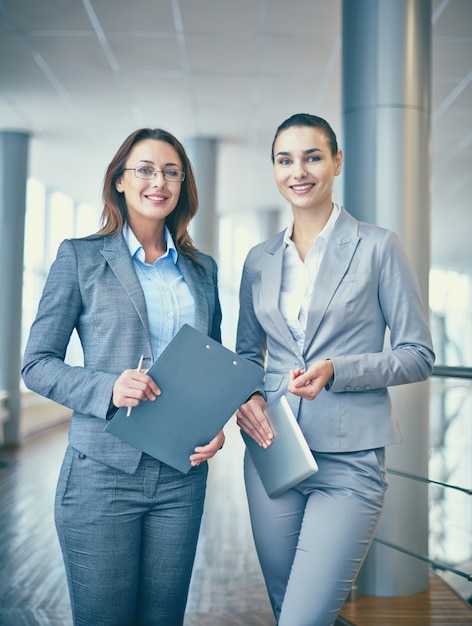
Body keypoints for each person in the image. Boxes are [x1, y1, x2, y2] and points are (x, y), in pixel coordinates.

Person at [235, 113, 435, 626]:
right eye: (285, 159)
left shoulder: (377, 246)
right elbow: (245, 358)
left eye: (312, 156)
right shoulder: (259, 260)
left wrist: (336, 370)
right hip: (272, 451)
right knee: (291, 612)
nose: (298, 171)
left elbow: (418, 353)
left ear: (336, 162)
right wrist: (248, 398)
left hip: (349, 463)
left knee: (303, 618)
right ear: (275, 170)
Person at [22, 127, 225, 626]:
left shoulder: (202, 271)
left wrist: (215, 422)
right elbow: (36, 363)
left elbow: (213, 363)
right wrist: (106, 387)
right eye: (146, 169)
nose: (160, 181)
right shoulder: (81, 257)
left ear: (183, 184)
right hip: (101, 474)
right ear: (119, 180)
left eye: (171, 171)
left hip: (182, 476)